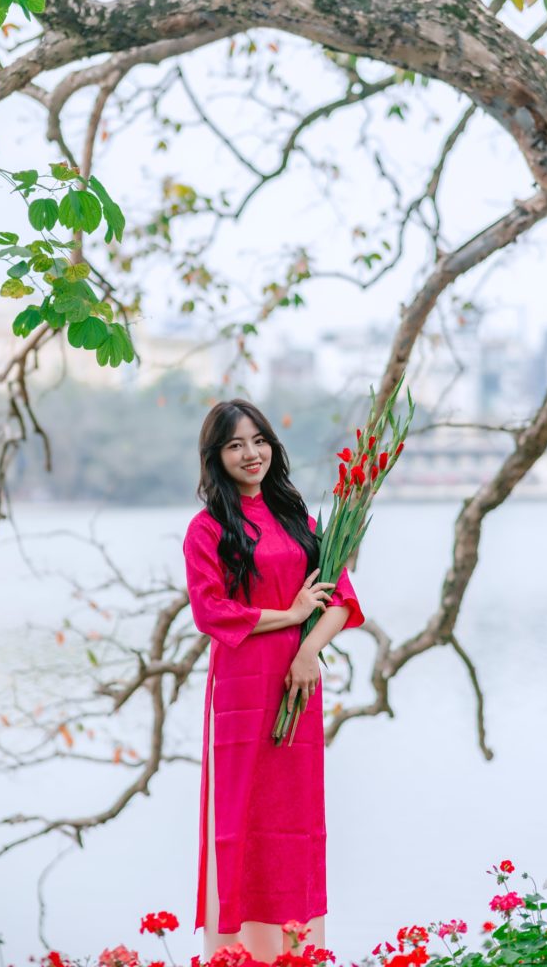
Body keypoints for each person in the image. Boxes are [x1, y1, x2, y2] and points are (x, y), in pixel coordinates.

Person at [183, 399, 364, 963]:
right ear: (216, 458)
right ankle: (238, 954)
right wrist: (289, 616)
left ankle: (297, 952)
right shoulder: (207, 529)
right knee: (243, 816)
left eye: (258, 440)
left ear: (272, 446)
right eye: (235, 445)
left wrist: (308, 649)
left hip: (298, 687)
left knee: (296, 819)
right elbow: (210, 611)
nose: (250, 453)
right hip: (242, 688)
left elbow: (342, 600)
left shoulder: (299, 521)